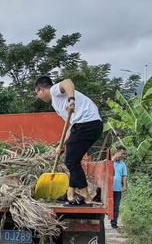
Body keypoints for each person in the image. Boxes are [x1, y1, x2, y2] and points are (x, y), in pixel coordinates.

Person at [35, 76, 103, 206]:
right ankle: (70, 195)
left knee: (70, 161)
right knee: (73, 160)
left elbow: (68, 82)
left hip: (87, 123)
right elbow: (70, 127)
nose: (38, 96)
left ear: (42, 89)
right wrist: (61, 144)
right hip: (88, 125)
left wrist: (72, 100)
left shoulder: (54, 90)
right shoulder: (57, 104)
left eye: (37, 92)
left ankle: (86, 197)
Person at [111, 146, 127, 228]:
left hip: (117, 189)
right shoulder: (109, 162)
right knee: (105, 206)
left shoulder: (123, 164)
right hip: (108, 189)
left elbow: (124, 176)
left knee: (116, 206)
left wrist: (124, 186)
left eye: (124, 154)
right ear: (117, 152)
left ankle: (114, 223)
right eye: (122, 153)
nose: (123, 155)